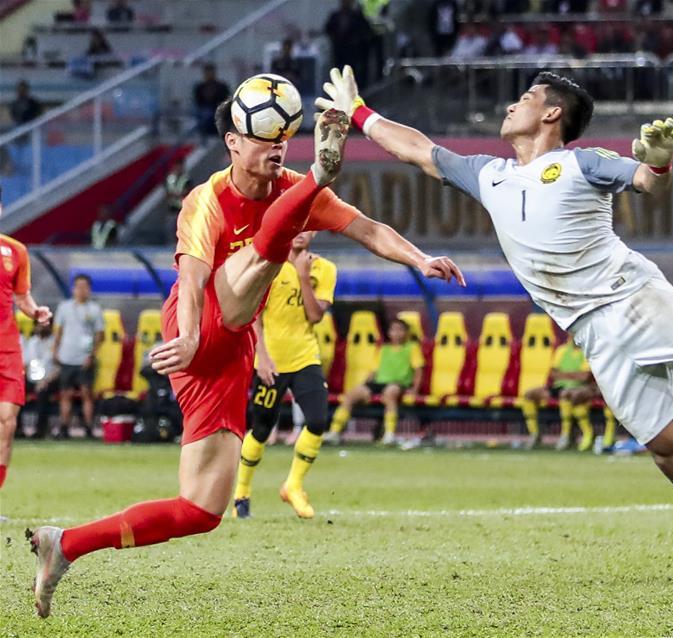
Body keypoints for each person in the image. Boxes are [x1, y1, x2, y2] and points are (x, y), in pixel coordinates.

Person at [318, 66, 673, 638]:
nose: (512, 105)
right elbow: (420, 150)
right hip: (593, 334)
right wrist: (362, 112)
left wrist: (661, 161)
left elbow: (646, 181)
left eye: (525, 96)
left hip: (635, 298)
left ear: (551, 113)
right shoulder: (487, 175)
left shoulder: (580, 162)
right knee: (672, 454)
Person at [28, 84, 463, 618]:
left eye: (283, 136)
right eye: (263, 137)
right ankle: (315, 186)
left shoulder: (294, 190)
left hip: (232, 345)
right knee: (269, 246)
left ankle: (65, 544)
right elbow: (190, 279)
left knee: (202, 509)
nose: (276, 146)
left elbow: (367, 228)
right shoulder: (206, 199)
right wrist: (187, 337)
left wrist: (420, 259)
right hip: (201, 321)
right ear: (233, 141)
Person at [232, 231, 337, 520]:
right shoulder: (269, 266)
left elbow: (315, 316)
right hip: (272, 363)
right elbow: (253, 315)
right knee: (262, 428)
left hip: (305, 357)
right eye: (297, 226)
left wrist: (303, 276)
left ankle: (293, 485)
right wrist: (261, 358)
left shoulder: (324, 269)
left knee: (317, 420)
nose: (301, 233)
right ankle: (241, 493)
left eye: (307, 228)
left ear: (314, 231)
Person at [0, 233, 51, 490]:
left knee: (7, 422)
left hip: (6, 347)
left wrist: (35, 311)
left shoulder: (16, 250)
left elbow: (21, 296)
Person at [326, 317, 423, 446]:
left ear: (406, 333)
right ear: (389, 332)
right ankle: (334, 432)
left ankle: (389, 435)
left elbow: (418, 370)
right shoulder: (383, 349)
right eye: (393, 330)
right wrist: (364, 385)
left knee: (390, 393)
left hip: (398, 383)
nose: (396, 333)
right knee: (351, 395)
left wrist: (415, 390)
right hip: (378, 383)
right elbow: (374, 371)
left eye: (400, 330)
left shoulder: (412, 348)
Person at [520, 336, 595, 452]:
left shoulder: (588, 351)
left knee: (566, 395)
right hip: (559, 386)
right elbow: (553, 374)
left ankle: (565, 435)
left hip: (579, 388)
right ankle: (534, 434)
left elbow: (585, 377)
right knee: (529, 394)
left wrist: (563, 374)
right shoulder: (561, 350)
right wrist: (575, 375)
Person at [53, 274, 104, 440]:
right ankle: (64, 427)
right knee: (65, 394)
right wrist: (55, 351)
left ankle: (89, 427)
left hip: (85, 359)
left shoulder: (95, 309)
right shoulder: (64, 307)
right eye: (78, 286)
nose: (81, 290)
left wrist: (92, 355)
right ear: (73, 289)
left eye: (85, 287)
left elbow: (99, 335)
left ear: (89, 289)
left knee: (86, 393)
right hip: (66, 356)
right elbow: (58, 332)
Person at [22, 320, 59, 440]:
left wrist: (44, 381)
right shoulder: (32, 342)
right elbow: (26, 364)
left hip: (50, 380)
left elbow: (59, 368)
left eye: (45, 325)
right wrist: (32, 379)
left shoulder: (55, 342)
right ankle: (17, 429)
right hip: (32, 379)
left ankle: (40, 430)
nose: (41, 327)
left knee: (43, 393)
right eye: (39, 325)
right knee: (16, 391)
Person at [193, 64, 230, 137]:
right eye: (207, 73)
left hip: (218, 108)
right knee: (205, 115)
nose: (209, 75)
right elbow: (198, 101)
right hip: (204, 110)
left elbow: (225, 99)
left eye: (211, 72)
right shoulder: (200, 87)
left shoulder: (221, 86)